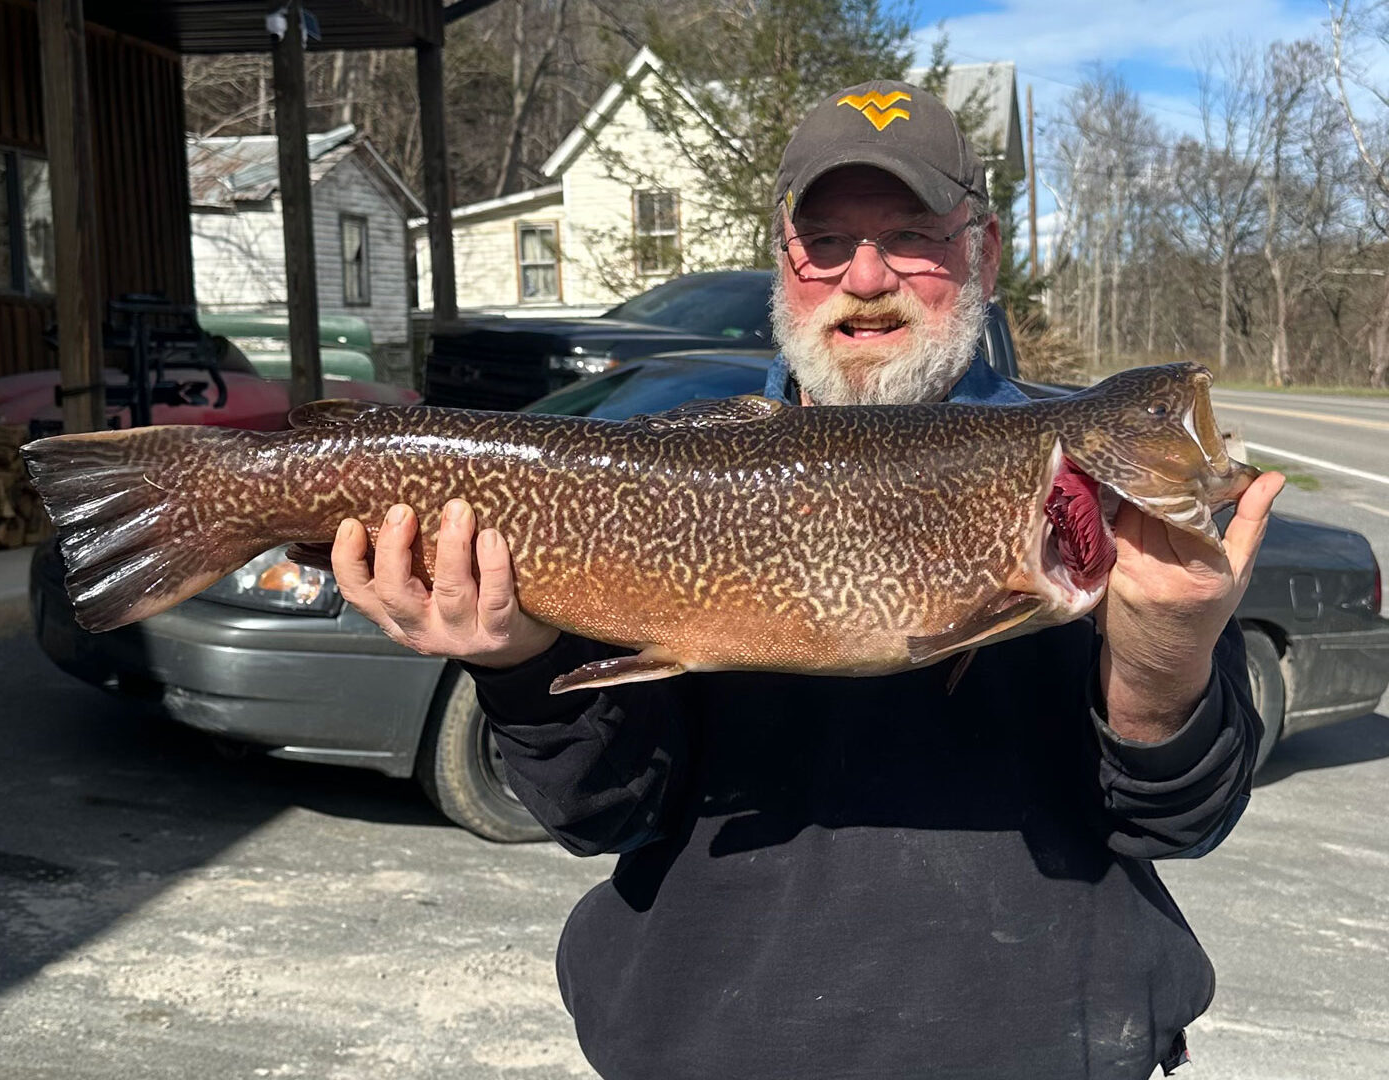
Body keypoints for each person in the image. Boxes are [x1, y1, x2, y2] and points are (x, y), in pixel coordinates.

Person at [329, 80, 1285, 1080]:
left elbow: (1181, 821)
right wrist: (520, 669)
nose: (865, 276)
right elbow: (602, 814)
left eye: (912, 235)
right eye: (824, 241)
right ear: (782, 266)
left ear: (984, 255)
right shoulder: (674, 475)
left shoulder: (1089, 500)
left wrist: (1163, 659)